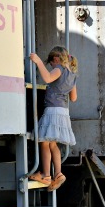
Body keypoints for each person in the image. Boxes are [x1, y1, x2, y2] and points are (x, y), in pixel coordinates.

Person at [29, 46, 78, 191]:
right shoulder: (72, 74)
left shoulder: (59, 69)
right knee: (53, 145)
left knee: (44, 142)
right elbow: (74, 98)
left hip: (52, 110)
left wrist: (38, 62)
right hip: (63, 112)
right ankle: (58, 173)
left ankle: (45, 174)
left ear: (56, 59)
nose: (51, 66)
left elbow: (47, 78)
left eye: (51, 63)